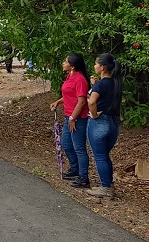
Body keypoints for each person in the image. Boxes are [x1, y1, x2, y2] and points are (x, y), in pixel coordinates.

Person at [49, 54, 91, 188]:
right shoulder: (70, 77)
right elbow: (69, 94)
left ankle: (84, 177)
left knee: (79, 147)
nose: (63, 63)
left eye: (66, 62)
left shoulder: (80, 79)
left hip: (78, 118)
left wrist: (73, 117)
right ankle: (75, 169)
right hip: (69, 116)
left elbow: (82, 100)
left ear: (72, 66)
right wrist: (58, 101)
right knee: (66, 144)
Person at [86, 53, 122, 198]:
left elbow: (92, 102)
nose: (94, 66)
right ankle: (109, 183)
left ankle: (105, 187)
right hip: (113, 122)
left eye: (96, 64)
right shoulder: (116, 83)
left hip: (99, 123)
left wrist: (93, 114)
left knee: (100, 156)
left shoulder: (101, 85)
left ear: (102, 67)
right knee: (104, 155)